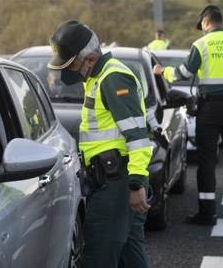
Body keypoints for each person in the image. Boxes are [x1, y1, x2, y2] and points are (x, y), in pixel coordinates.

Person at [47, 20, 152, 268]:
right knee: (130, 253)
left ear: (90, 59)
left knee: (98, 255)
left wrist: (136, 184)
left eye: (71, 66)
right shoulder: (98, 77)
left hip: (117, 183)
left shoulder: (113, 79)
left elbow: (137, 136)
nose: (67, 73)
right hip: (112, 179)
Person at [153, 5, 223, 225]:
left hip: (209, 109)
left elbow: (184, 72)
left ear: (205, 23)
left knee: (207, 161)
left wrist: (163, 72)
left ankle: (207, 213)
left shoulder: (201, 44)